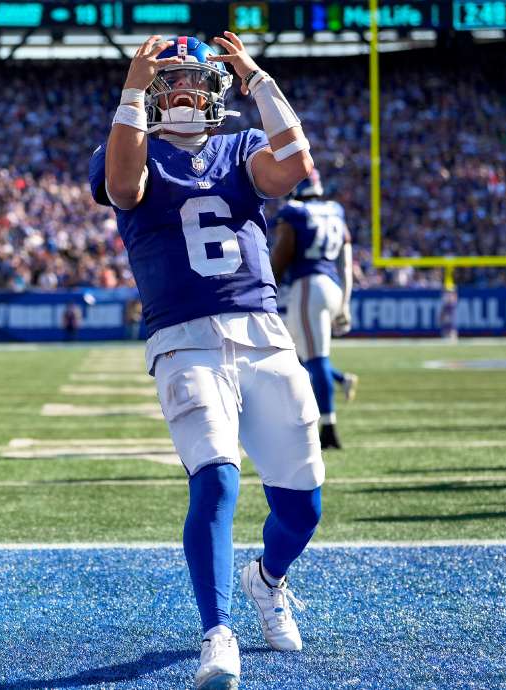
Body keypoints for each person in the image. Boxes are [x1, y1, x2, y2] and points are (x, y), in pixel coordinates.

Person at [89, 34, 324, 689]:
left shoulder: (241, 145)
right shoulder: (129, 143)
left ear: (218, 92)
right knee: (216, 477)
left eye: (196, 82)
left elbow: (295, 164)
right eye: (171, 84)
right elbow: (123, 186)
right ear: (153, 94)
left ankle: (267, 578)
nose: (186, 94)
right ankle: (217, 636)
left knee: (304, 507)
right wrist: (133, 90)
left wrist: (261, 81)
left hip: (263, 330)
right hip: (182, 338)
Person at [270, 169, 358, 449]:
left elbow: (281, 255)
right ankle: (340, 382)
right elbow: (346, 262)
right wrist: (344, 302)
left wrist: (267, 287)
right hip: (331, 286)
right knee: (300, 353)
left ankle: (329, 427)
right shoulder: (335, 210)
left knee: (315, 358)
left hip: (309, 287)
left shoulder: (294, 213)